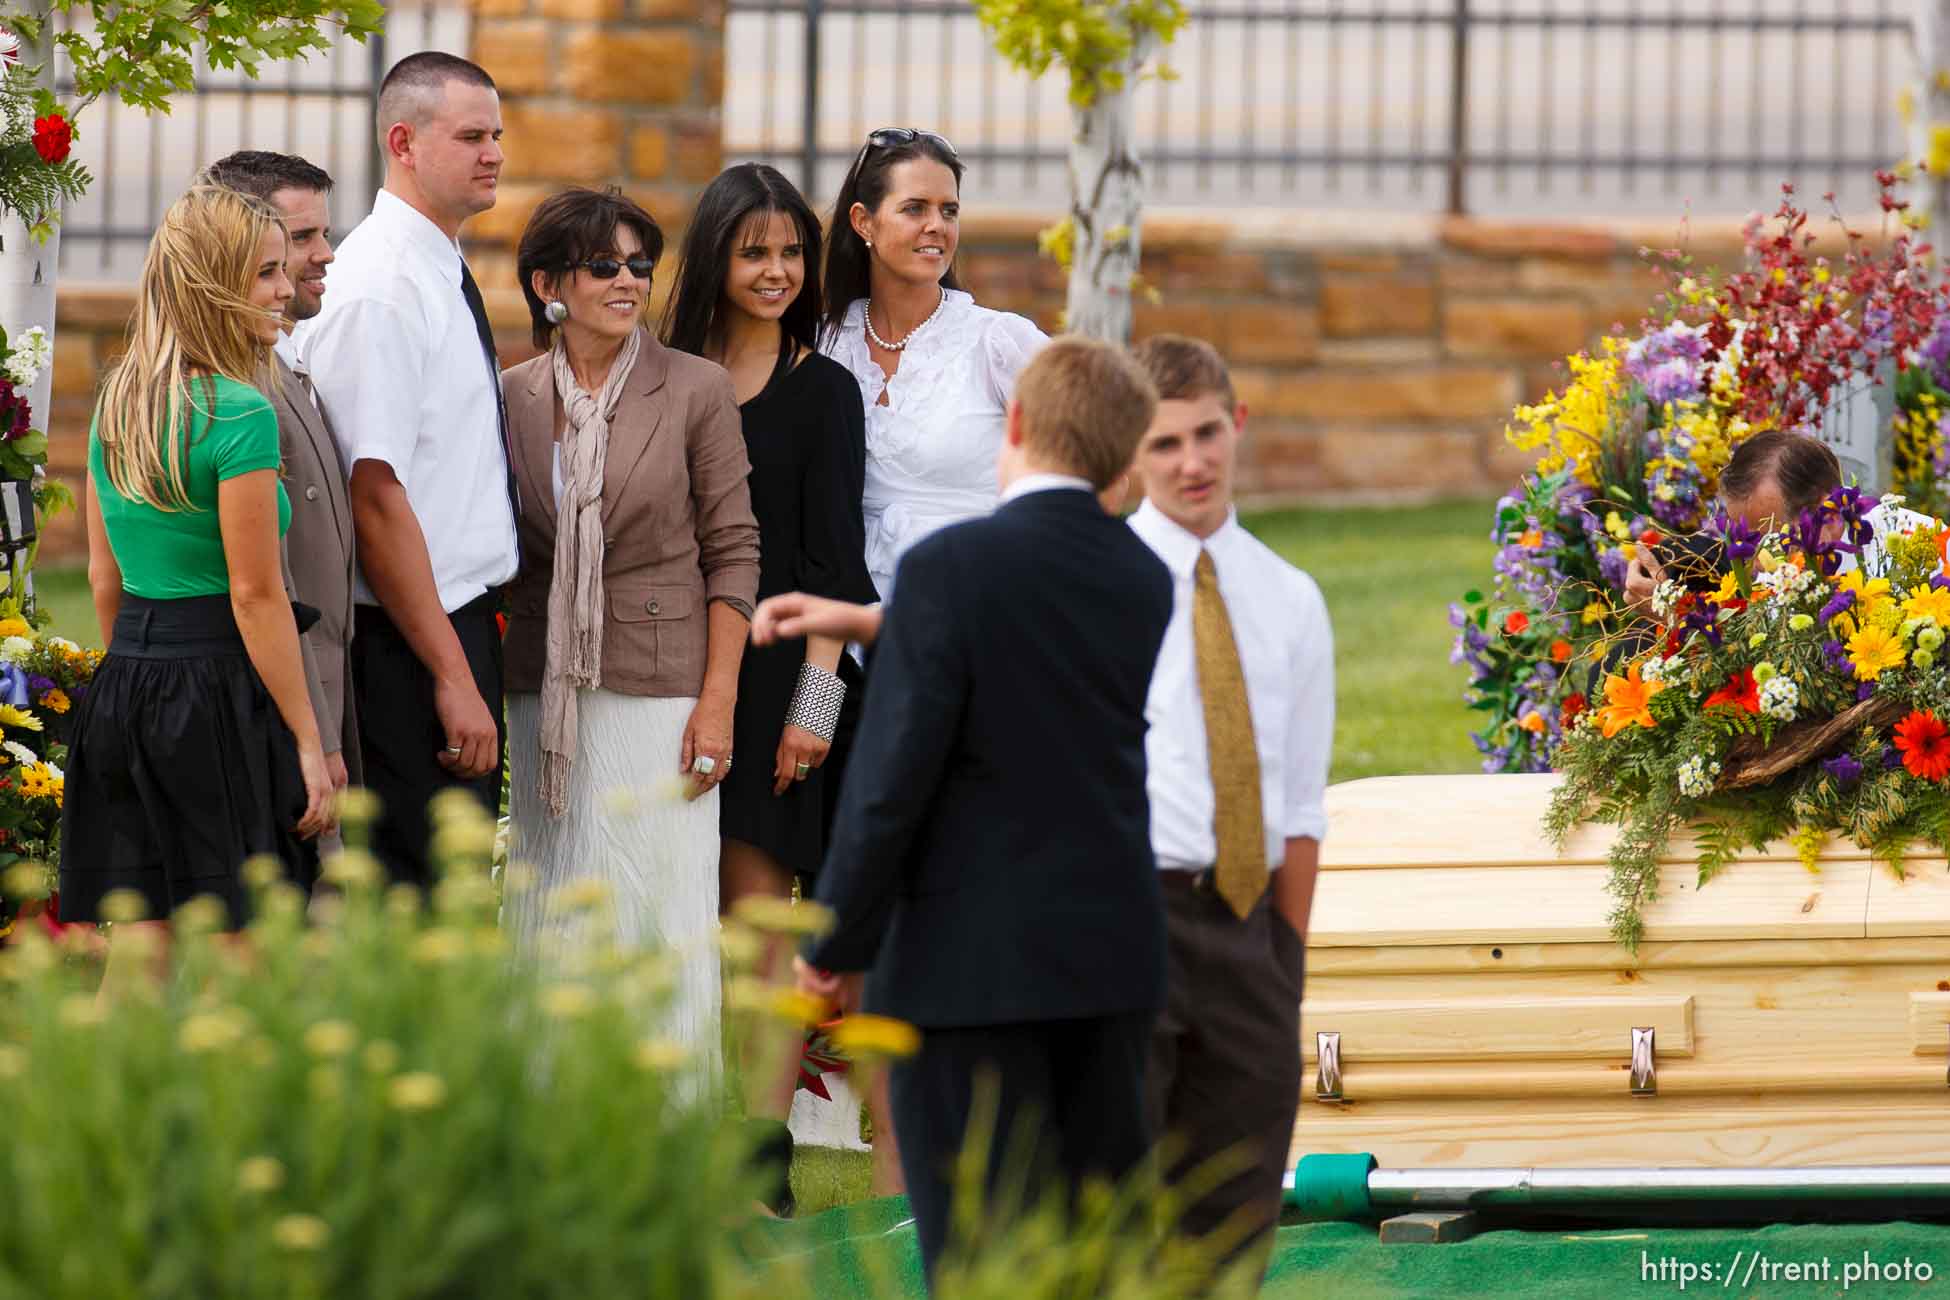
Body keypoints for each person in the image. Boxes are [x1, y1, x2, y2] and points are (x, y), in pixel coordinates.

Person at [795, 337, 1172, 1284]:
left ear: (1014, 424)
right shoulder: (1144, 578)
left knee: (976, 1250)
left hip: (969, 967)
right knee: (1100, 1248)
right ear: (1126, 457)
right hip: (1110, 957)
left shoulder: (950, 567)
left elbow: (892, 778)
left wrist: (833, 942)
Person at [498, 187, 760, 1067]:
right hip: (547, 693)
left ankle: (669, 1136)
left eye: (640, 265)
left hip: (665, 693)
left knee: (659, 906)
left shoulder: (695, 387)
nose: (629, 281)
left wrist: (718, 702)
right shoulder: (511, 396)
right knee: (554, 899)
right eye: (605, 265)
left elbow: (734, 553)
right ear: (548, 286)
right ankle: (549, 1130)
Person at [661, 162, 875, 1205]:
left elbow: (839, 571)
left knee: (755, 926)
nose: (779, 270)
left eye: (793, 252)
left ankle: (761, 1159)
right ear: (716, 256)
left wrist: (815, 711)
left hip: (782, 683)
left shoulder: (823, 391)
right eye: (755, 251)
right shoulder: (663, 371)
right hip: (662, 671)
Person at [61, 185, 334, 931]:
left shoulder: (121, 399)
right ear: (211, 283)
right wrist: (309, 742)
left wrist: (137, 684)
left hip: (125, 688)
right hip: (215, 689)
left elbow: (103, 576)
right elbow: (255, 594)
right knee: (237, 944)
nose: (285, 290)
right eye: (265, 273)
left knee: (139, 946)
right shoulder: (242, 412)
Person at [1127, 334, 1333, 1283]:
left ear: (1237, 424)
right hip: (1128, 926)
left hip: (1249, 932)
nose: (1193, 462)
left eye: (1207, 434)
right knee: (1125, 1216)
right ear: (1130, 450)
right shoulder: (1100, 584)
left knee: (1233, 1224)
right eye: (1165, 444)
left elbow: (1299, 807)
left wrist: (1281, 962)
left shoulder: (1290, 598)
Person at [296, 53, 516, 885]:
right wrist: (452, 676)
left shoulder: (434, 262)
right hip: (409, 643)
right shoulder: (383, 286)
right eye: (471, 136)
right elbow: (374, 496)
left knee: (448, 891)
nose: (494, 152)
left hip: (452, 625)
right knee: (417, 895)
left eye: (496, 133)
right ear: (404, 141)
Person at [203, 150, 359, 855]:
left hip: (324, 687)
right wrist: (316, 738)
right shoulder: (243, 394)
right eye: (300, 241)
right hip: (280, 707)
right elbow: (267, 584)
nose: (325, 254)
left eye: (324, 234)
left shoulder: (279, 360)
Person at [820, 127, 1048, 604]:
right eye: (914, 208)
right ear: (864, 222)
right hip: (848, 636)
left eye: (949, 210)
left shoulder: (999, 342)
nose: (937, 226)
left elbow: (1099, 470)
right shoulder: (822, 343)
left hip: (980, 618)